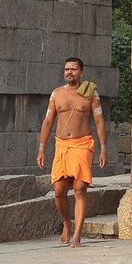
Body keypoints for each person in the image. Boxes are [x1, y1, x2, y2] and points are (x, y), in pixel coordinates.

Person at [36, 56, 106, 247]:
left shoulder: (90, 93)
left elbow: (99, 121)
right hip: (62, 145)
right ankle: (67, 223)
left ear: (81, 72)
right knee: (59, 190)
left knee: (79, 188)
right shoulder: (56, 94)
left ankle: (77, 234)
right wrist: (41, 149)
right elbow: (48, 121)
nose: (69, 72)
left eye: (73, 69)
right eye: (67, 69)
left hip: (82, 144)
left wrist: (103, 149)